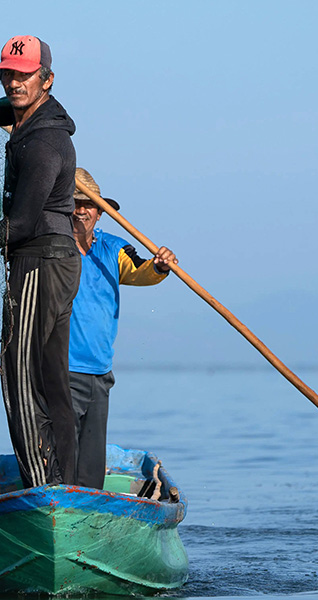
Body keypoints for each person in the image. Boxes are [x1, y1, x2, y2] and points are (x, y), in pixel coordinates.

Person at [0, 36, 80, 488]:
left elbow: (22, 223)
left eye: (23, 74)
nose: (13, 82)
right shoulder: (36, 120)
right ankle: (70, 488)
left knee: (17, 380)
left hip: (38, 261)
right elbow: (11, 108)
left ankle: (43, 490)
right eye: (7, 74)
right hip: (59, 261)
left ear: (46, 79)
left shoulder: (45, 143)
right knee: (52, 382)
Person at [69, 168, 177, 489]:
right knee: (58, 461)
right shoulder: (51, 249)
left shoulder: (113, 249)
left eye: (88, 204)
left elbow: (142, 270)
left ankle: (88, 518)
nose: (80, 210)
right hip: (59, 371)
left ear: (100, 212)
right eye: (73, 202)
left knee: (90, 467)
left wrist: (159, 266)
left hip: (99, 373)